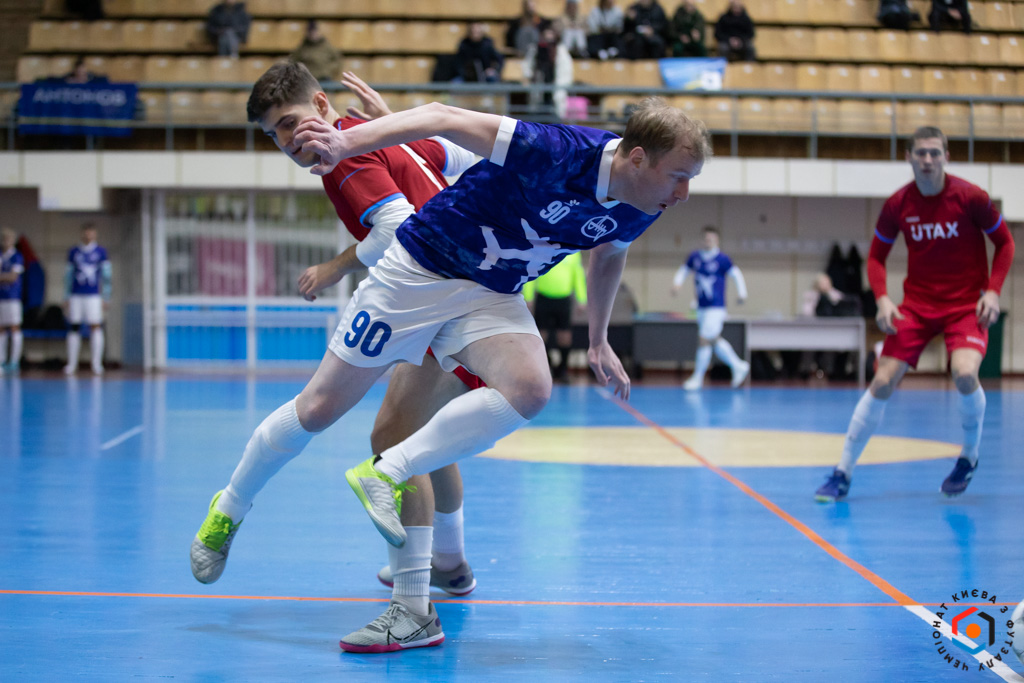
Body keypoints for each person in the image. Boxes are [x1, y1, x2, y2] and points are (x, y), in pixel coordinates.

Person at [192, 85, 709, 652]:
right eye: (678, 177)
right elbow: (443, 116)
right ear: (638, 159)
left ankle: (399, 522)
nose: (685, 193)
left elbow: (610, 253)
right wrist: (345, 143)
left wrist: (598, 338)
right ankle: (229, 507)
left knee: (529, 388)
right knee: (318, 409)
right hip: (420, 270)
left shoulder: (645, 201)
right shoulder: (557, 149)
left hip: (490, 292)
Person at [189, 62, 483, 645]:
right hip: (469, 291)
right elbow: (466, 162)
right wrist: (400, 126)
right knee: (418, 434)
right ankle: (449, 564)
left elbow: (398, 228)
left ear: (323, 106)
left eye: (290, 122)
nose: (286, 141)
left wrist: (335, 266)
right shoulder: (392, 134)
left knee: (359, 425)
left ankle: (231, 509)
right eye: (273, 133)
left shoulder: (344, 152)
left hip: (428, 294)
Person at [815, 126, 1015, 503]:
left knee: (964, 373)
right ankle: (842, 472)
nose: (927, 160)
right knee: (882, 380)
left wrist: (993, 291)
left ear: (946, 157)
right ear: (908, 157)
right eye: (921, 153)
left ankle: (969, 457)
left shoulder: (972, 197)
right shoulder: (898, 204)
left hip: (965, 306)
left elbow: (1005, 243)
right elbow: (876, 257)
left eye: (935, 153)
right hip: (918, 307)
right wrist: (883, 299)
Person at [671, 226, 749, 390]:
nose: (708, 242)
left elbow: (736, 275)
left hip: (716, 307)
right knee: (713, 340)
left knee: (704, 339)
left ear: (717, 240)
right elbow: (684, 271)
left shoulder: (722, 259)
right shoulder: (695, 257)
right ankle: (738, 365)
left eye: (711, 239)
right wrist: (677, 284)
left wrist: (742, 293)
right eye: (706, 239)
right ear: (702, 240)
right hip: (702, 306)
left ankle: (698, 377)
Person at [523, 250, 587, 382]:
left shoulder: (573, 252)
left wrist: (582, 299)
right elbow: (532, 271)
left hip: (564, 299)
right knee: (541, 335)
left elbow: (578, 275)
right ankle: (545, 367)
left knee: (565, 335)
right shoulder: (542, 249)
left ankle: (562, 369)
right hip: (543, 297)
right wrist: (528, 296)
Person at [64, 223, 110, 376]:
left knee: (95, 326)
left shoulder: (101, 252)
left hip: (93, 295)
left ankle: (96, 364)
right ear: (82, 233)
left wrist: (106, 296)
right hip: (76, 295)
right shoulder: (74, 251)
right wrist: (66, 296)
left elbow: (107, 276)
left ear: (95, 234)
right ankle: (72, 364)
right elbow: (68, 275)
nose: (88, 235)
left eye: (91, 232)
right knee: (74, 326)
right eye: (86, 232)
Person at [522, 21, 574, 119]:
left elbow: (566, 72)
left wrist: (559, 86)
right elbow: (528, 67)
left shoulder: (561, 50)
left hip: (555, 91)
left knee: (555, 121)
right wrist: (529, 78)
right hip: (539, 89)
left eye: (550, 33)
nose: (548, 37)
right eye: (545, 34)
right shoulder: (535, 49)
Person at [0, 227, 24, 374]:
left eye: (9, 239)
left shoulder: (17, 256)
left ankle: (14, 361)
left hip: (13, 297)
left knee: (14, 327)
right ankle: (1, 359)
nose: (6, 241)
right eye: (4, 238)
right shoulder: (1, 255)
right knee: (1, 328)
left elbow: (13, 277)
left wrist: (4, 276)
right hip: (1, 296)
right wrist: (6, 276)